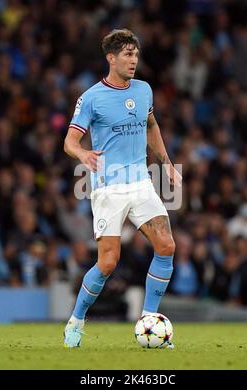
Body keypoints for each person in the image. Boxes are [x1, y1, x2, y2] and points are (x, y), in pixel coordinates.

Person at [63, 29, 182, 348]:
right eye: (128, 54)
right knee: (108, 263)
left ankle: (148, 321)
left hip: (141, 182)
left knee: (167, 246)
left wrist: (167, 163)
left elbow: (152, 125)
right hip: (108, 188)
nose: (134, 60)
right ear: (111, 58)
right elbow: (69, 141)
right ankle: (75, 321)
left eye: (136, 54)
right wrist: (84, 153)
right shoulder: (91, 97)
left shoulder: (144, 90)